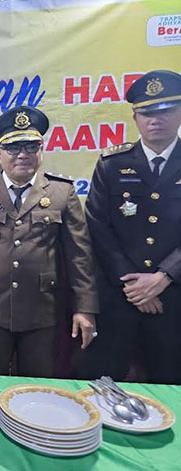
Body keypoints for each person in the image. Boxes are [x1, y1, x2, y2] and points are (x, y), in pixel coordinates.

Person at [0, 106, 98, 377]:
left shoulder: (62, 192)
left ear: (41, 150)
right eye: (14, 148)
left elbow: (80, 257)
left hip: (43, 312)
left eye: (31, 146)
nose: (22, 155)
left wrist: (85, 308)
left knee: (39, 385)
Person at [81, 70, 181, 384]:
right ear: (135, 117)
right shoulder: (112, 164)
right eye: (148, 112)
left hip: (173, 298)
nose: (156, 119)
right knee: (104, 383)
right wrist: (134, 285)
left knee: (171, 383)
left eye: (166, 110)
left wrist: (164, 276)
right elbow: (98, 225)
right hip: (118, 297)